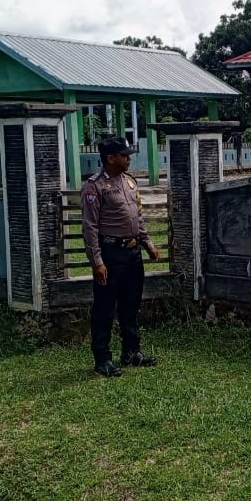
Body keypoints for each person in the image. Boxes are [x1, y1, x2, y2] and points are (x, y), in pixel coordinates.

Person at [81, 136, 162, 377]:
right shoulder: (94, 187)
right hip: (111, 253)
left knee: (131, 304)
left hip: (133, 252)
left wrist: (147, 242)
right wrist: (97, 261)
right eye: (124, 155)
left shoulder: (129, 183)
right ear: (110, 158)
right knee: (105, 307)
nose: (128, 159)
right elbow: (90, 227)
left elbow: (137, 217)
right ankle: (102, 359)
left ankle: (131, 352)